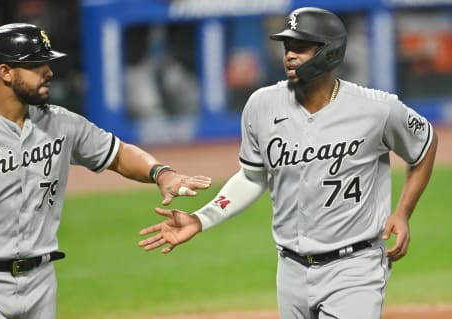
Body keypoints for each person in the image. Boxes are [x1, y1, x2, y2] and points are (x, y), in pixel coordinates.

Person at [139, 7, 438, 319]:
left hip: (355, 268)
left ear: (329, 52)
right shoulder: (261, 105)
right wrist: (202, 219)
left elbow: (426, 142)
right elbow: (253, 177)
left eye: (300, 48)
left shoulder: (376, 109)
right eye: (287, 48)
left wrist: (403, 213)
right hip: (290, 270)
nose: (289, 56)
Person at [0, 23, 212, 319]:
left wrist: (162, 174)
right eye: (36, 64)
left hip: (41, 283)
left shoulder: (61, 123)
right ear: (5, 72)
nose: (48, 71)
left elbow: (119, 154)